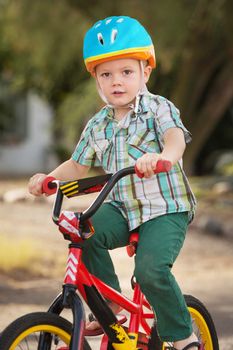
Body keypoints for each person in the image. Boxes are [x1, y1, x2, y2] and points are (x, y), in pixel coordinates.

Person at [28, 16, 200, 350]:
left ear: (144, 73)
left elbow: (175, 139)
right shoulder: (98, 125)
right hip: (122, 208)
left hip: (165, 209)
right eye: (106, 74)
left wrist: (163, 156)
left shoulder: (157, 108)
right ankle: (111, 307)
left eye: (126, 72)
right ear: (96, 79)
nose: (116, 81)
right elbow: (78, 164)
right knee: (81, 228)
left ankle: (183, 336)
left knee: (151, 271)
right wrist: (49, 178)